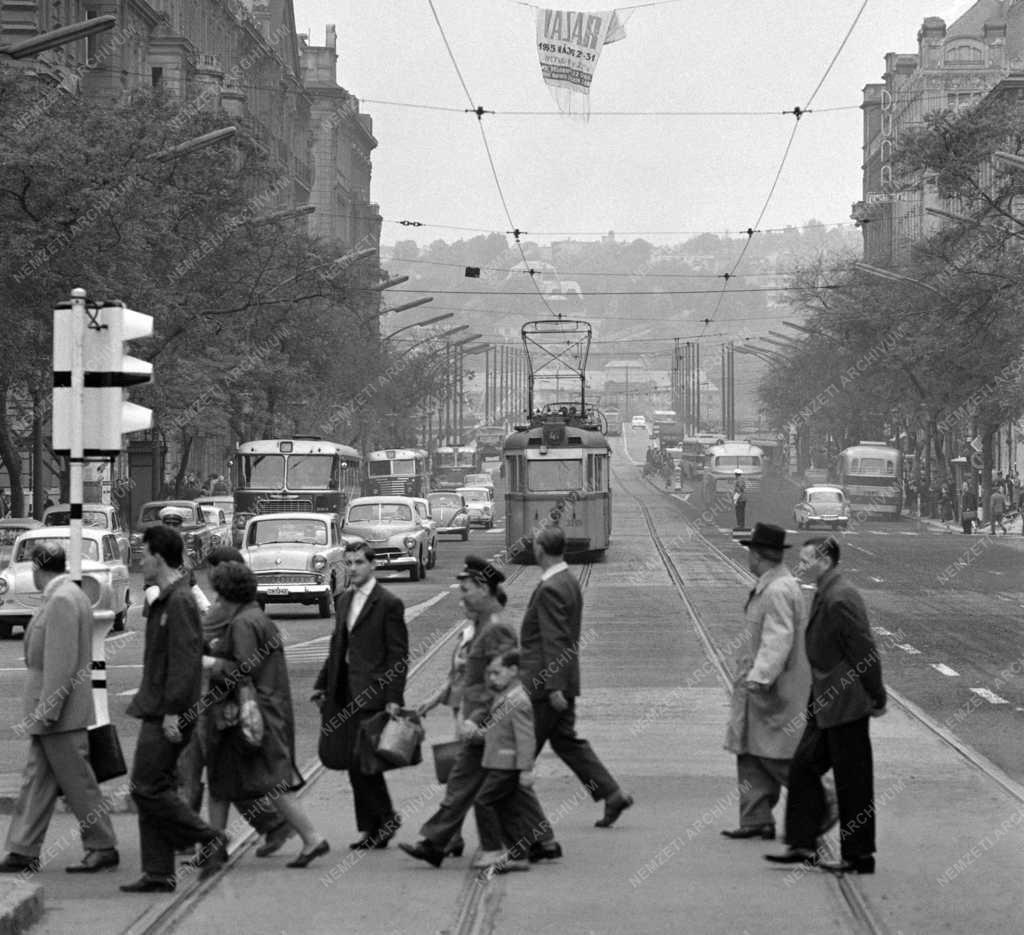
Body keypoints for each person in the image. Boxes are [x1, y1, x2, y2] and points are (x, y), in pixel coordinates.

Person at [400, 556, 560, 868]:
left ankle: (441, 842)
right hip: (482, 722)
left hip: (489, 723)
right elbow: (470, 677)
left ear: (484, 588)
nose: (462, 595)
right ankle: (540, 840)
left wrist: (476, 719)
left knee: (476, 784)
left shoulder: (496, 630)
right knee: (484, 785)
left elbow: (499, 683)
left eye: (466, 589)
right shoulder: (482, 626)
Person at [766, 537, 887, 874]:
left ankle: (859, 855)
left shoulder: (840, 596)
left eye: (807, 560)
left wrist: (876, 694)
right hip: (825, 701)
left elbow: (863, 649)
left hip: (845, 702)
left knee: (853, 780)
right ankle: (803, 843)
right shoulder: (826, 590)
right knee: (803, 766)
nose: (801, 565)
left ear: (826, 560)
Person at [0, 542, 119, 874]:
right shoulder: (66, 595)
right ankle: (23, 848)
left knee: (78, 782)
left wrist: (49, 710)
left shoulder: (63, 599)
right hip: (55, 712)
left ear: (37, 570)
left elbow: (60, 662)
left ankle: (103, 844)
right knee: (37, 781)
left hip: (57, 713)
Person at [121, 524, 227, 893]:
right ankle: (158, 871)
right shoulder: (169, 597)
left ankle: (209, 836)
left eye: (144, 554)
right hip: (157, 705)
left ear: (159, 557)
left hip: (169, 710)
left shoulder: (178, 601)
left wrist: (171, 712)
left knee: (146, 787)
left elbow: (186, 661)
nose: (140, 561)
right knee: (155, 785)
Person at [203, 561, 329, 868]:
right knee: (226, 781)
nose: (216, 601)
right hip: (263, 710)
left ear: (229, 594)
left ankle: (312, 838)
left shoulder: (243, 624)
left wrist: (210, 663)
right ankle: (214, 847)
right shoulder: (255, 617)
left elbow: (243, 670)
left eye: (219, 595)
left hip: (248, 715)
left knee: (268, 782)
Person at [175, 547, 293, 860]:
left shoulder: (229, 612)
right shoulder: (247, 610)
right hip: (224, 701)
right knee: (226, 774)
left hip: (217, 701)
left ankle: (191, 835)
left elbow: (208, 646)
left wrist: (208, 659)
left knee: (200, 767)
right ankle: (269, 826)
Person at [519, 525, 633, 828]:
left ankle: (528, 828)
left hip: (547, 687)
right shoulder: (567, 580)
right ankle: (611, 794)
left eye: (534, 544)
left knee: (518, 755)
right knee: (567, 743)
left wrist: (554, 686)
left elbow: (554, 639)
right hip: (563, 681)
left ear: (540, 549)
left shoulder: (551, 587)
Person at [312, 542, 408, 850]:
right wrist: (322, 682)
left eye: (358, 563)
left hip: (374, 694)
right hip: (344, 692)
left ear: (373, 565)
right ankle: (376, 826)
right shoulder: (344, 600)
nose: (352, 568)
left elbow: (398, 654)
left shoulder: (388, 603)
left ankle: (381, 823)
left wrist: (394, 697)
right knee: (356, 763)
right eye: (348, 563)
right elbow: (337, 645)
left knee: (363, 762)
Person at [722, 523, 811, 841]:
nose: (748, 557)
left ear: (758, 556)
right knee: (749, 749)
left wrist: (760, 677)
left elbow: (778, 638)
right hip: (762, 681)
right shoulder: (774, 584)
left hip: (772, 686)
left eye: (750, 552)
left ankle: (823, 801)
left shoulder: (777, 590)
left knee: (774, 754)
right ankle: (755, 817)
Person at [473, 650, 536, 873]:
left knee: (484, 801)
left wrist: (526, 769)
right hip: (499, 762)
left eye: (497, 673)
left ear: (513, 671)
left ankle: (492, 850)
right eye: (490, 674)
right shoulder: (506, 697)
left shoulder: (517, 701)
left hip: (507, 765)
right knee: (507, 809)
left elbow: (526, 738)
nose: (492, 678)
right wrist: (480, 733)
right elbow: (500, 728)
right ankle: (518, 855)